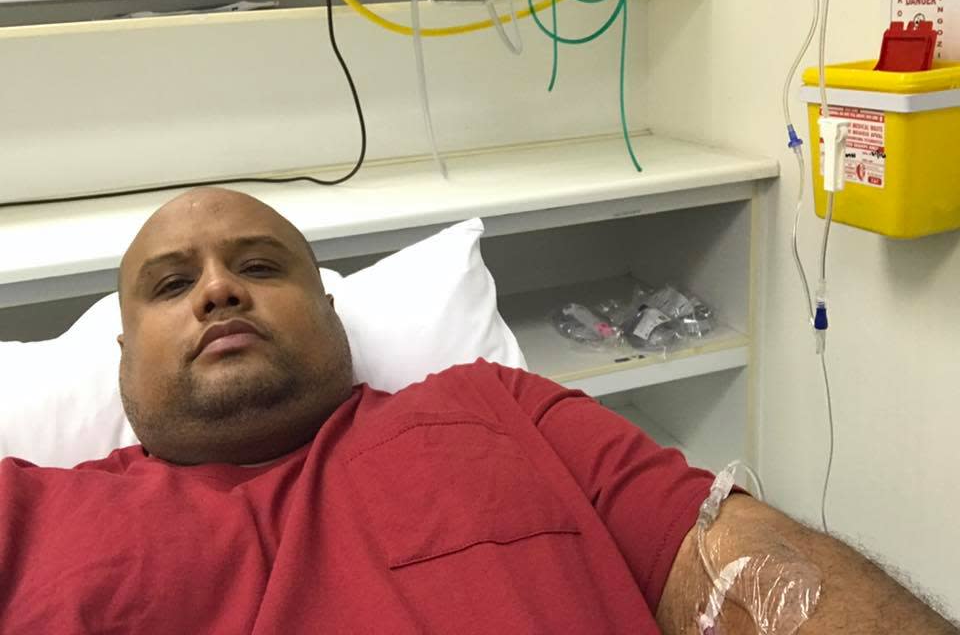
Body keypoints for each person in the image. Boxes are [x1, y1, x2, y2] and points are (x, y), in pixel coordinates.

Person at [0, 186, 955, 634]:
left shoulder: (495, 412)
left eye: (258, 267)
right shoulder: (27, 519)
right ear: (120, 352)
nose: (219, 291)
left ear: (329, 309)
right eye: (171, 286)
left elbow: (744, 573)